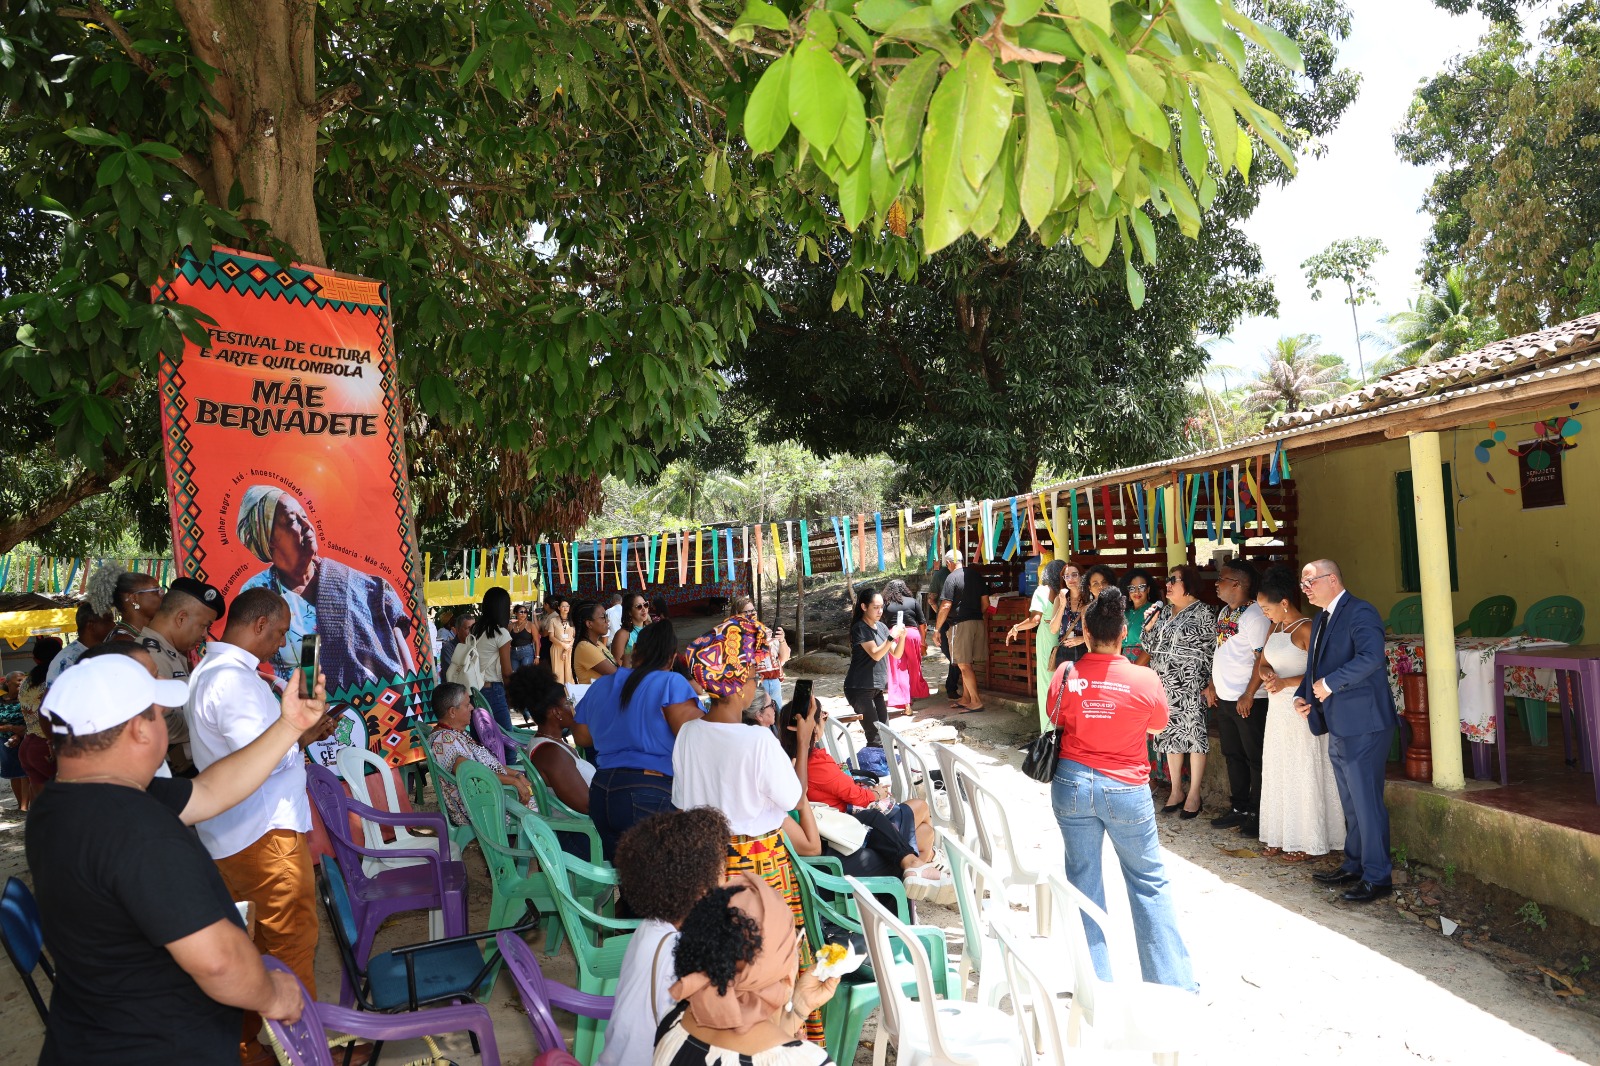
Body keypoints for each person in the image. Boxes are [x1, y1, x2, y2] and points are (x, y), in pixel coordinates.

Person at [27, 652, 329, 1064]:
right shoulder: (139, 831)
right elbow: (220, 962)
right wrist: (274, 994)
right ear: (139, 730)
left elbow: (209, 792)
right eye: (156, 713)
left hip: (90, 1036)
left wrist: (289, 725)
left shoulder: (62, 803)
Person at [185, 587, 336, 1064]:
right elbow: (264, 761)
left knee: (258, 950)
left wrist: (301, 731)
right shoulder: (233, 681)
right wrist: (301, 734)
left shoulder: (215, 673)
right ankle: (305, 1052)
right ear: (258, 625)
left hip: (242, 833)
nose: (283, 642)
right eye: (281, 632)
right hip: (263, 836)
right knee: (291, 944)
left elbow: (255, 750)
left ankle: (254, 1048)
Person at [673, 616, 826, 1041]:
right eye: (753, 675)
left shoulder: (687, 735)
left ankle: (721, 1040)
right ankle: (783, 1042)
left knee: (721, 964)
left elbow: (685, 808)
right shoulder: (757, 741)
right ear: (738, 685)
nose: (756, 683)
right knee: (773, 963)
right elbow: (795, 796)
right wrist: (802, 740)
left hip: (709, 867)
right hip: (762, 870)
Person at [1047, 587, 1197, 992]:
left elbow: (1056, 716)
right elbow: (1157, 726)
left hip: (1072, 784)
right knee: (1148, 880)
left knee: (1083, 880)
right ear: (1121, 634)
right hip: (1126, 789)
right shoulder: (1145, 678)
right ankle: (1172, 986)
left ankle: (1094, 985)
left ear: (1087, 633)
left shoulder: (1066, 673)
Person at [236, 484, 417, 694]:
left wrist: (411, 694)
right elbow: (240, 664)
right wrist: (278, 686)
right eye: (293, 520)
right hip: (302, 710)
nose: (306, 525)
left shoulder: (356, 584)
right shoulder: (258, 592)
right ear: (269, 540)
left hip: (376, 707)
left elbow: (393, 629)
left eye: (304, 515)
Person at [777, 690, 951, 900]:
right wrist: (875, 794)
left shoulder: (791, 761)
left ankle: (920, 869)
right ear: (810, 728)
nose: (826, 718)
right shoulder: (811, 764)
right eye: (822, 715)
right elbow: (852, 796)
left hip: (840, 823)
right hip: (843, 829)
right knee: (920, 811)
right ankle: (924, 867)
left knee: (923, 829)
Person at [655, 873, 840, 1066]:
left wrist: (800, 1008)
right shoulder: (808, 1061)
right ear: (779, 969)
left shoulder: (674, 1021)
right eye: (793, 942)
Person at [1294, 560, 1397, 903]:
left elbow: (1371, 658)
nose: (1305, 588)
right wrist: (1303, 695)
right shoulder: (1322, 617)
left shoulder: (1360, 611)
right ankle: (1355, 864)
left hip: (1364, 723)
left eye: (1310, 581)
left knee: (1367, 803)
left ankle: (1378, 876)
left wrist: (1330, 684)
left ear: (1332, 579)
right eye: (1303, 583)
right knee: (1351, 802)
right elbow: (1315, 665)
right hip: (1339, 722)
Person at [599, 807, 732, 1066]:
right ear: (700, 886)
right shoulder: (680, 956)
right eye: (722, 871)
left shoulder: (651, 927)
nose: (726, 881)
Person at [570, 619, 702, 858]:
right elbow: (697, 739)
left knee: (632, 880)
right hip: (649, 790)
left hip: (603, 792)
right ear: (672, 658)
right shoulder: (671, 682)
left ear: (635, 652)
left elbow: (581, 737)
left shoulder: (601, 686)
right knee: (660, 881)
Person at [1255, 565, 1344, 861]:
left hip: (1300, 707)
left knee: (1301, 770)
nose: (1264, 613)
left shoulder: (1307, 627)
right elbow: (1263, 662)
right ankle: (1280, 834)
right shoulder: (1276, 628)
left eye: (1266, 608)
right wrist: (1267, 674)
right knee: (1279, 770)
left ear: (1283, 603)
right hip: (1277, 710)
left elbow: (1318, 672)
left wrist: (1285, 682)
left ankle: (1309, 840)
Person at [1142, 564, 1215, 819]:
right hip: (1164, 685)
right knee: (1170, 737)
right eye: (1167, 579)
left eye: (1174, 580)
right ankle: (1176, 791)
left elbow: (1212, 651)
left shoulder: (1204, 612)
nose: (1168, 584)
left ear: (1190, 584)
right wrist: (1149, 626)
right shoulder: (1163, 613)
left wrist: (1211, 682)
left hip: (1191, 685)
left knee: (1194, 737)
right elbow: (1149, 646)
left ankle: (1194, 793)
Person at [1206, 559, 1272, 838]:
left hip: (1250, 699)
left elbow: (1262, 658)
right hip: (1225, 697)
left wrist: (1248, 693)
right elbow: (1219, 652)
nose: (1217, 584)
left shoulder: (1255, 616)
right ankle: (1240, 808)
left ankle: (1258, 814)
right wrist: (1211, 684)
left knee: (1255, 757)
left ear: (1238, 584)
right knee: (1233, 755)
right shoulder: (1224, 612)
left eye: (1221, 579)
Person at [141, 576, 226, 773]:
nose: (205, 635)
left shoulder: (170, 653)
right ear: (181, 618)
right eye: (204, 625)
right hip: (170, 771)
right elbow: (157, 723)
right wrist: (209, 723)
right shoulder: (150, 656)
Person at [428, 682, 541, 825]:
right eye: (467, 704)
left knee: (544, 794)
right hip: (480, 807)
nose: (472, 708)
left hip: (490, 796)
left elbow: (488, 765)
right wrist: (513, 781)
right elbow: (472, 775)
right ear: (452, 711)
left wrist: (516, 775)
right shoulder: (444, 741)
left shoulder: (455, 734)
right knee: (545, 805)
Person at [507, 663, 595, 813]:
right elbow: (586, 805)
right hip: (580, 831)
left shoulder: (552, 744)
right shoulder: (551, 753)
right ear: (557, 713)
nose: (574, 707)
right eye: (569, 702)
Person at [1007, 559, 1068, 733]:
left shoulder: (1042, 590)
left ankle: (1048, 733)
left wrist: (1016, 627)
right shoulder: (1064, 591)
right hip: (1062, 639)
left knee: (1047, 687)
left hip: (1047, 640)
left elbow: (1035, 620)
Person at [843, 587, 904, 748]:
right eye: (875, 607)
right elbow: (876, 654)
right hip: (859, 687)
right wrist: (891, 637)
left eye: (881, 607)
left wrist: (902, 637)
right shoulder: (860, 628)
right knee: (875, 737)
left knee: (886, 733)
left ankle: (886, 764)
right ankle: (877, 769)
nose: (879, 611)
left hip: (876, 688)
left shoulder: (882, 627)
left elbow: (896, 654)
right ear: (864, 607)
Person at [935, 549, 987, 712]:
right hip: (978, 622)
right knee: (968, 663)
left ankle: (976, 701)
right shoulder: (976, 575)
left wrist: (937, 629)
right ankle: (966, 698)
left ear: (949, 562)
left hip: (960, 624)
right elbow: (985, 603)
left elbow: (945, 605)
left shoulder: (951, 578)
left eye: (947, 564)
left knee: (963, 665)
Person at [17, 637, 63, 789]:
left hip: (28, 745)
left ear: (35, 659)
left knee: (40, 801)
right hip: (47, 746)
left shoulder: (26, 681)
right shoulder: (54, 681)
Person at [879, 579, 930, 713]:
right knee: (914, 666)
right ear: (904, 588)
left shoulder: (885, 604)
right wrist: (923, 641)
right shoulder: (913, 602)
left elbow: (880, 623)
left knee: (898, 669)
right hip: (913, 634)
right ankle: (915, 692)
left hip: (894, 634)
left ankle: (905, 702)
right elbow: (922, 623)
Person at [471, 586, 517, 732]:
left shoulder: (476, 630)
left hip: (475, 690)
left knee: (481, 739)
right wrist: (512, 696)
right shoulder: (501, 633)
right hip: (493, 690)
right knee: (507, 741)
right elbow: (507, 672)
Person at [85, 562, 164, 643]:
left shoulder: (138, 634)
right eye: (156, 591)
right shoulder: (122, 641)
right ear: (134, 599)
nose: (162, 595)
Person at [46, 600, 115, 684]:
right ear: (91, 625)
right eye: (109, 621)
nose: (114, 625)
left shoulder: (106, 652)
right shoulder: (66, 660)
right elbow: (53, 695)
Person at [573, 599, 620, 684]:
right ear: (589, 624)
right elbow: (617, 675)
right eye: (603, 617)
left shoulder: (598, 644)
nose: (607, 621)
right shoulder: (585, 647)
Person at [1, 672, 28, 810]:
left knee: (25, 772)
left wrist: (19, 735)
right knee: (14, 773)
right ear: (7, 683)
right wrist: (10, 729)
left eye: (24, 680)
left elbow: (33, 720)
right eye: (18, 680)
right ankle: (20, 805)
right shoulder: (1, 700)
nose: (21, 682)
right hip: (5, 740)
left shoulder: (27, 699)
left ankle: (24, 806)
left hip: (26, 737)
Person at [1120, 569, 1159, 661]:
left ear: (1148, 590)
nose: (1137, 592)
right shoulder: (1124, 614)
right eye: (1132, 588)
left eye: (1141, 587)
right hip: (1124, 664)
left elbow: (1153, 645)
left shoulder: (1153, 610)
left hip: (1145, 664)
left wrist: (1135, 668)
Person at [613, 592, 650, 664]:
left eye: (645, 605)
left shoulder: (650, 629)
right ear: (629, 612)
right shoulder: (623, 634)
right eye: (639, 606)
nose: (644, 609)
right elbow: (618, 666)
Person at [439, 608, 475, 677]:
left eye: (474, 628)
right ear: (457, 629)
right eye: (468, 628)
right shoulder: (448, 648)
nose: (472, 631)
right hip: (455, 687)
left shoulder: (475, 646)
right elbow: (451, 674)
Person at [543, 610, 575, 686]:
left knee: (569, 673)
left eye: (567, 606)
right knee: (558, 674)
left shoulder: (572, 620)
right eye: (563, 606)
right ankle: (559, 694)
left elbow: (574, 637)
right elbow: (551, 637)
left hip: (569, 648)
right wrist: (563, 645)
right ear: (559, 608)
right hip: (557, 647)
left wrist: (566, 649)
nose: (565, 608)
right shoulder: (553, 620)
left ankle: (570, 694)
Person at [510, 603, 539, 672]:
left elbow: (536, 641)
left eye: (525, 612)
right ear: (516, 613)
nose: (523, 614)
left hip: (527, 651)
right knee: (514, 675)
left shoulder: (531, 625)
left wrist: (537, 656)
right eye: (521, 612)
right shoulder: (511, 625)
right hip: (513, 652)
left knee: (526, 674)